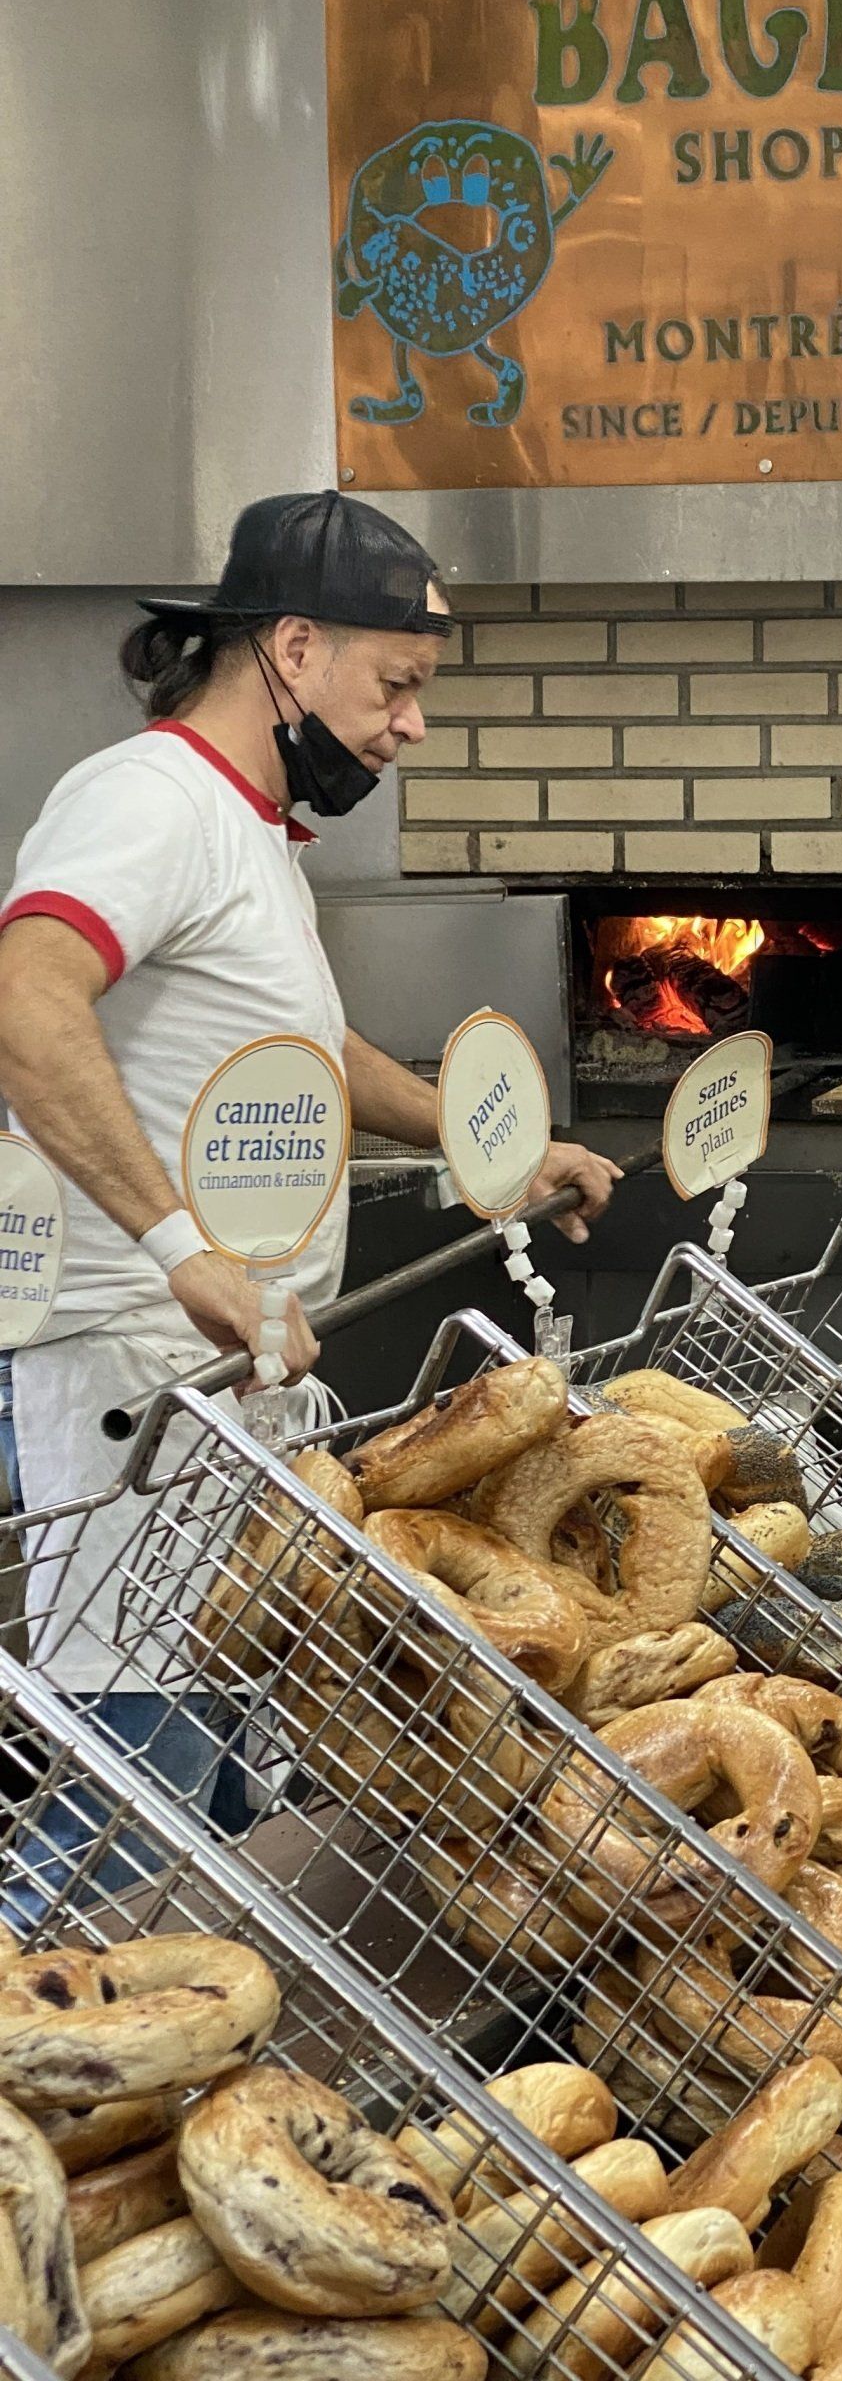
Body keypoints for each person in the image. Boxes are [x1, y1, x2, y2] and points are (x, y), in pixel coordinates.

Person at [0, 491, 619, 1905]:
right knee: (124, 1812)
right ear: (289, 649)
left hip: (231, 1381)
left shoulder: (250, 833)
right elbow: (26, 999)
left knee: (215, 1791)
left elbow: (294, 1049)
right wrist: (175, 1248)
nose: (412, 727)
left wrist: (481, 1151)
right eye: (394, 686)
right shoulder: (146, 801)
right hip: (133, 1385)